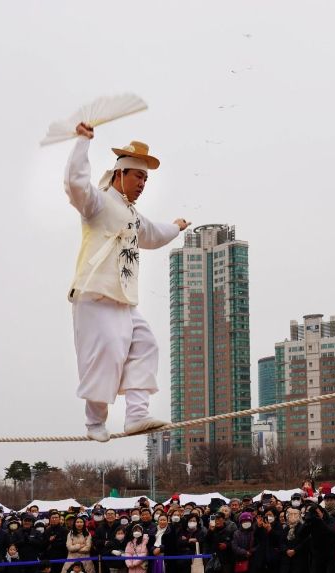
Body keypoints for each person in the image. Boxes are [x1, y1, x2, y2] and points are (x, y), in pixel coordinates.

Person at [64, 121, 190, 442]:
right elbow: (76, 184)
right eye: (138, 176)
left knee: (146, 344)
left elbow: (152, 234)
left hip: (122, 300)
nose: (143, 183)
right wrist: (82, 143)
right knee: (105, 353)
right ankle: (94, 423)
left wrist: (175, 227)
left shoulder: (132, 215)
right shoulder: (99, 202)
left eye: (146, 178)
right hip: (94, 294)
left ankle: (136, 414)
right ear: (120, 174)